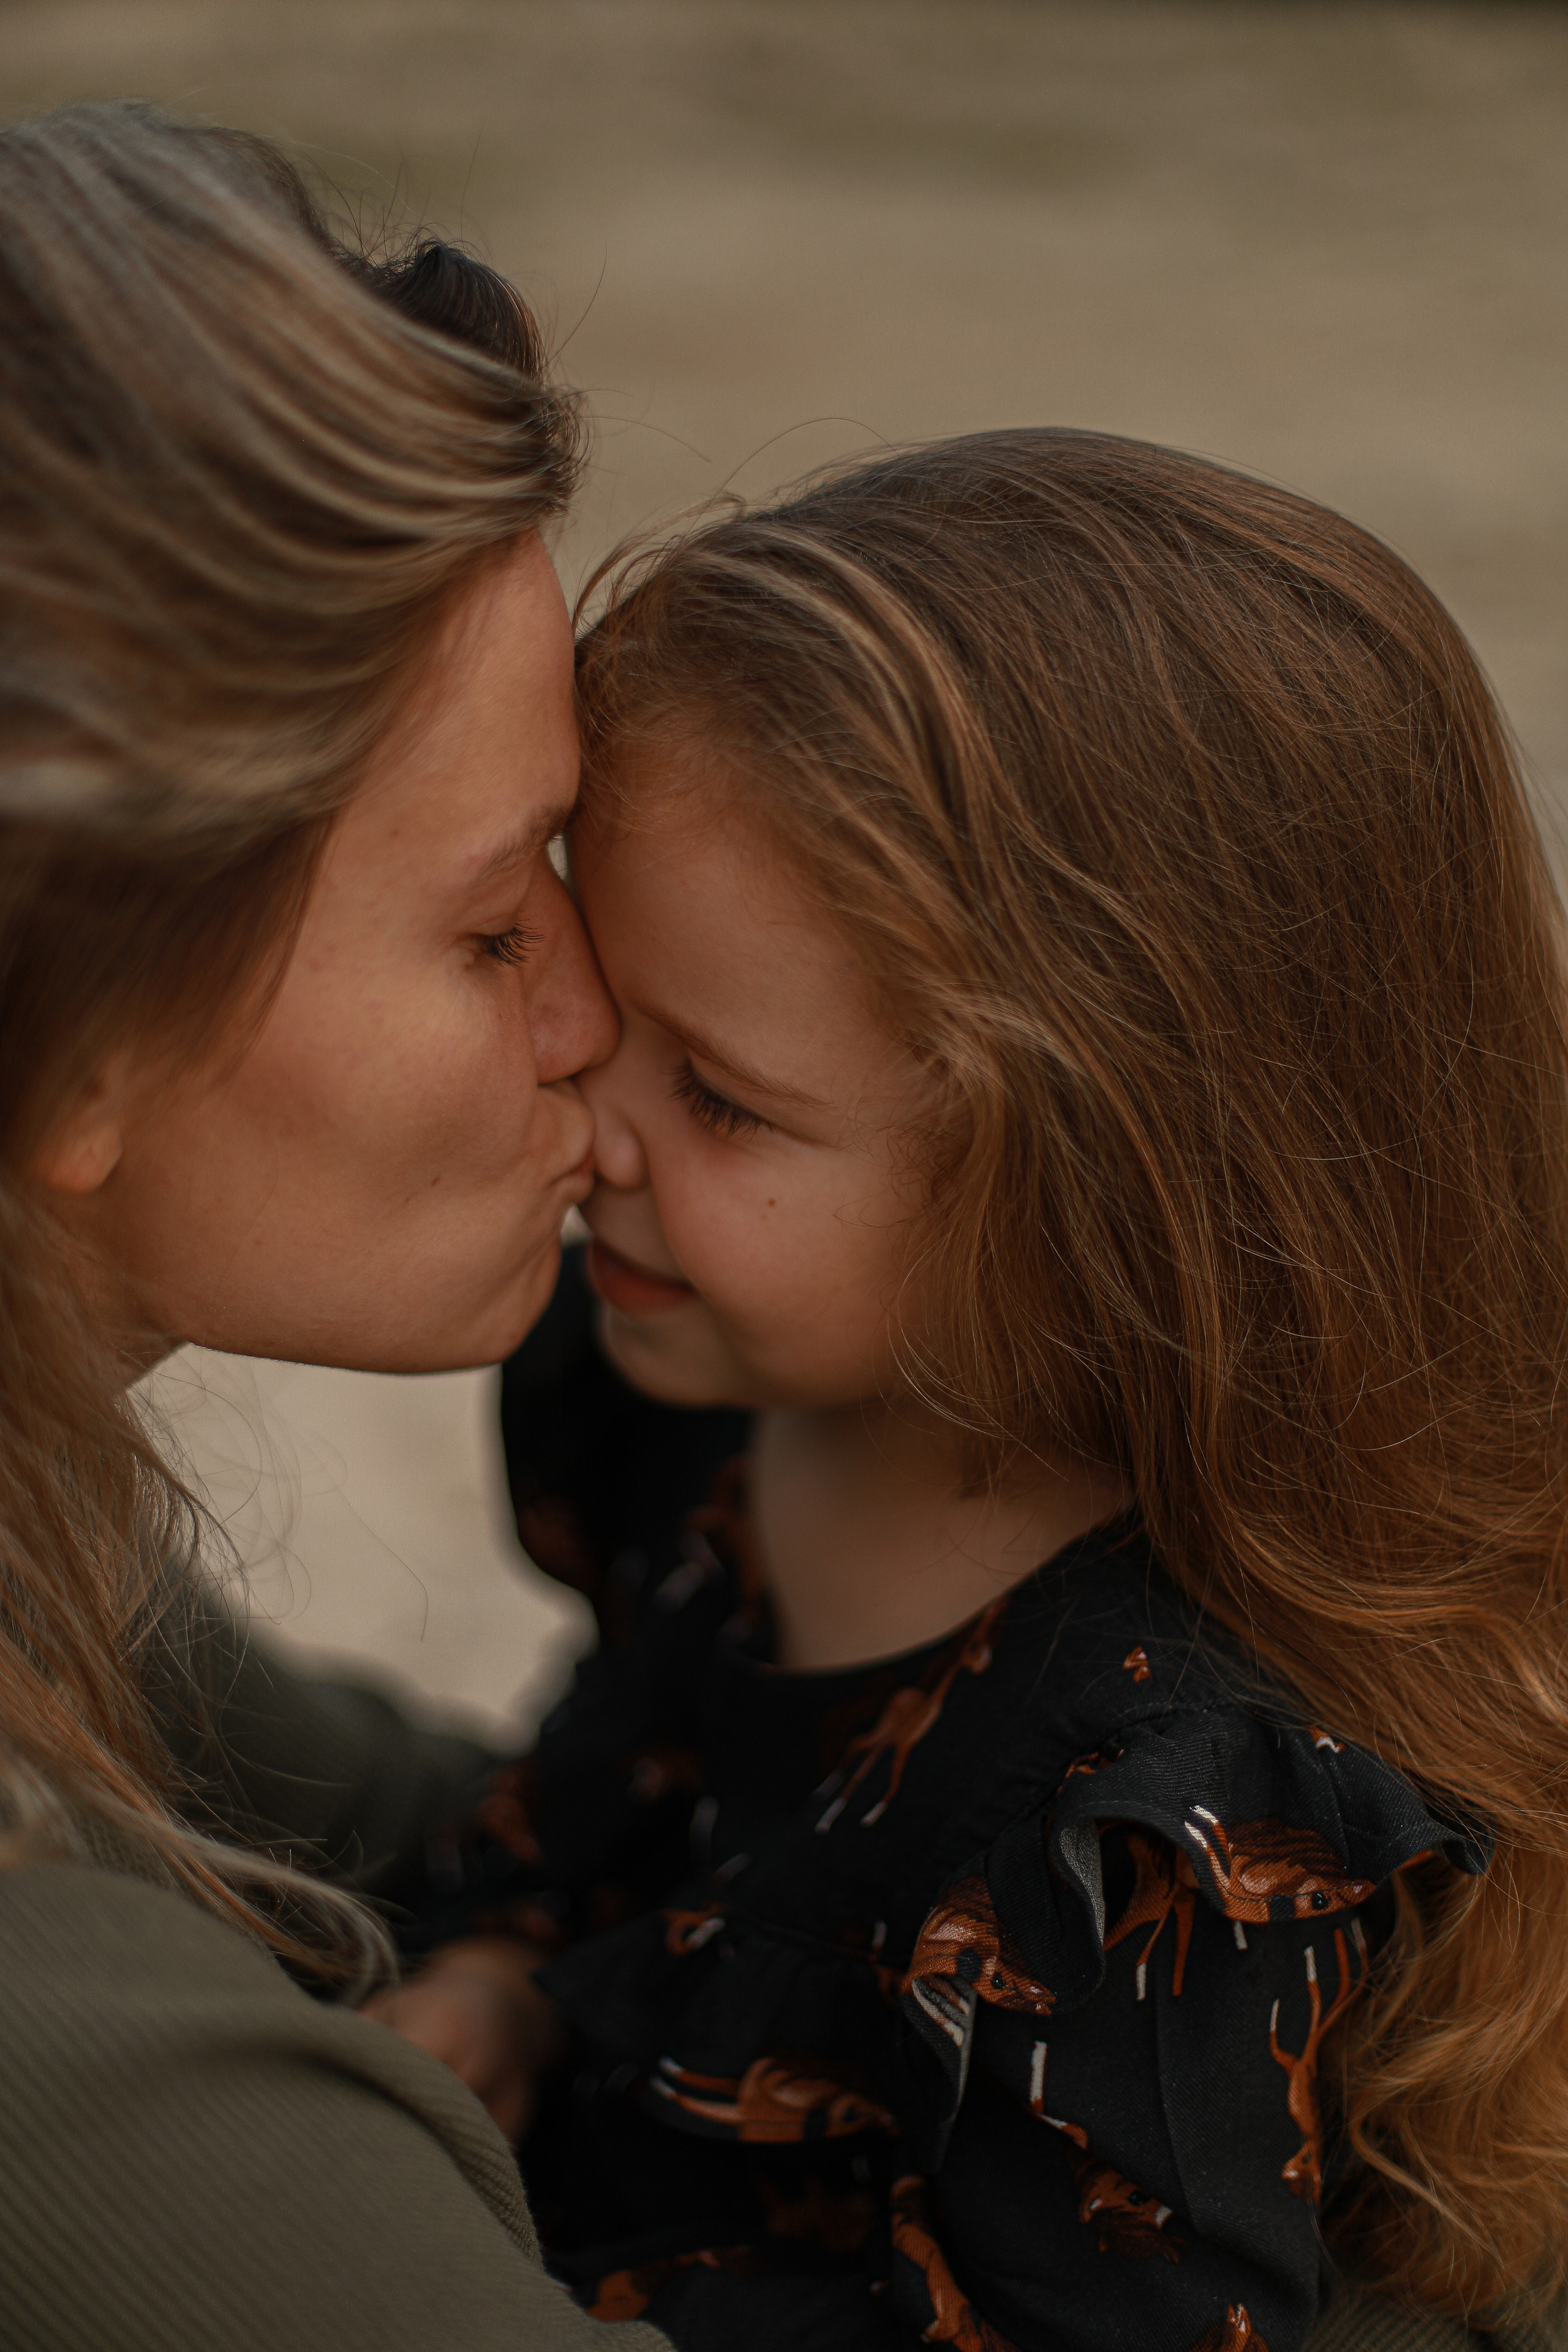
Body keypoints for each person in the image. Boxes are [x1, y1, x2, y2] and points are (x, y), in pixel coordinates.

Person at [379, 433, 1568, 2352]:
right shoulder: (720, 1377)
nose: (582, 1113)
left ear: (1104, 1191)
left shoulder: (1163, 1818)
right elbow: (630, 1775)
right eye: (599, 995)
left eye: (723, 1095)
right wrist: (513, 1967)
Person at [0, 100, 672, 2351]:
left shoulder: (54, 1558)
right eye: (495, 927)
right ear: (83, 1021)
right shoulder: (71, 2089)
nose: (603, 1014)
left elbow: (449, 1821)